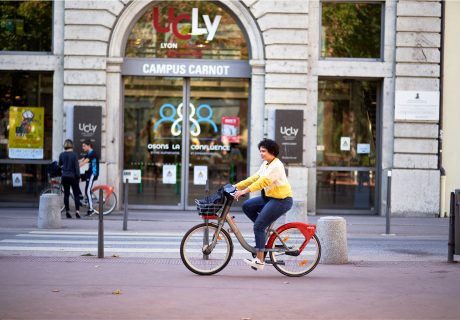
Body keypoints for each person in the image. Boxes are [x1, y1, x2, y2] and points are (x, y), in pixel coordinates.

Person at [233, 139, 293, 271]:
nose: (261, 153)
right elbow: (254, 178)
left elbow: (262, 182)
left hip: (281, 200)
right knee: (247, 206)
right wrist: (235, 187)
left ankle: (260, 260)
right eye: (260, 151)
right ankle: (263, 229)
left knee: (258, 226)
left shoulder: (276, 166)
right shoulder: (266, 163)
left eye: (263, 151)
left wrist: (244, 191)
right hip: (269, 198)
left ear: (272, 152)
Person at [58, 139, 81, 219]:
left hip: (64, 176)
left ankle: (67, 211)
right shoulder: (74, 155)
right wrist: (78, 176)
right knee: (76, 194)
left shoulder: (61, 155)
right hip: (73, 177)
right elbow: (77, 167)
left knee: (66, 195)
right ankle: (77, 211)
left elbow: (59, 165)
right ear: (72, 145)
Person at [80, 140, 99, 216]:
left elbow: (84, 162)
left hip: (93, 174)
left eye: (84, 146)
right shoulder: (88, 153)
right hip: (88, 173)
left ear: (89, 145)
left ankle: (91, 209)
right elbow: (81, 160)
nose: (83, 147)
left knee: (87, 191)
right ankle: (80, 196)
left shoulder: (92, 153)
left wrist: (75, 167)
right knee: (77, 178)